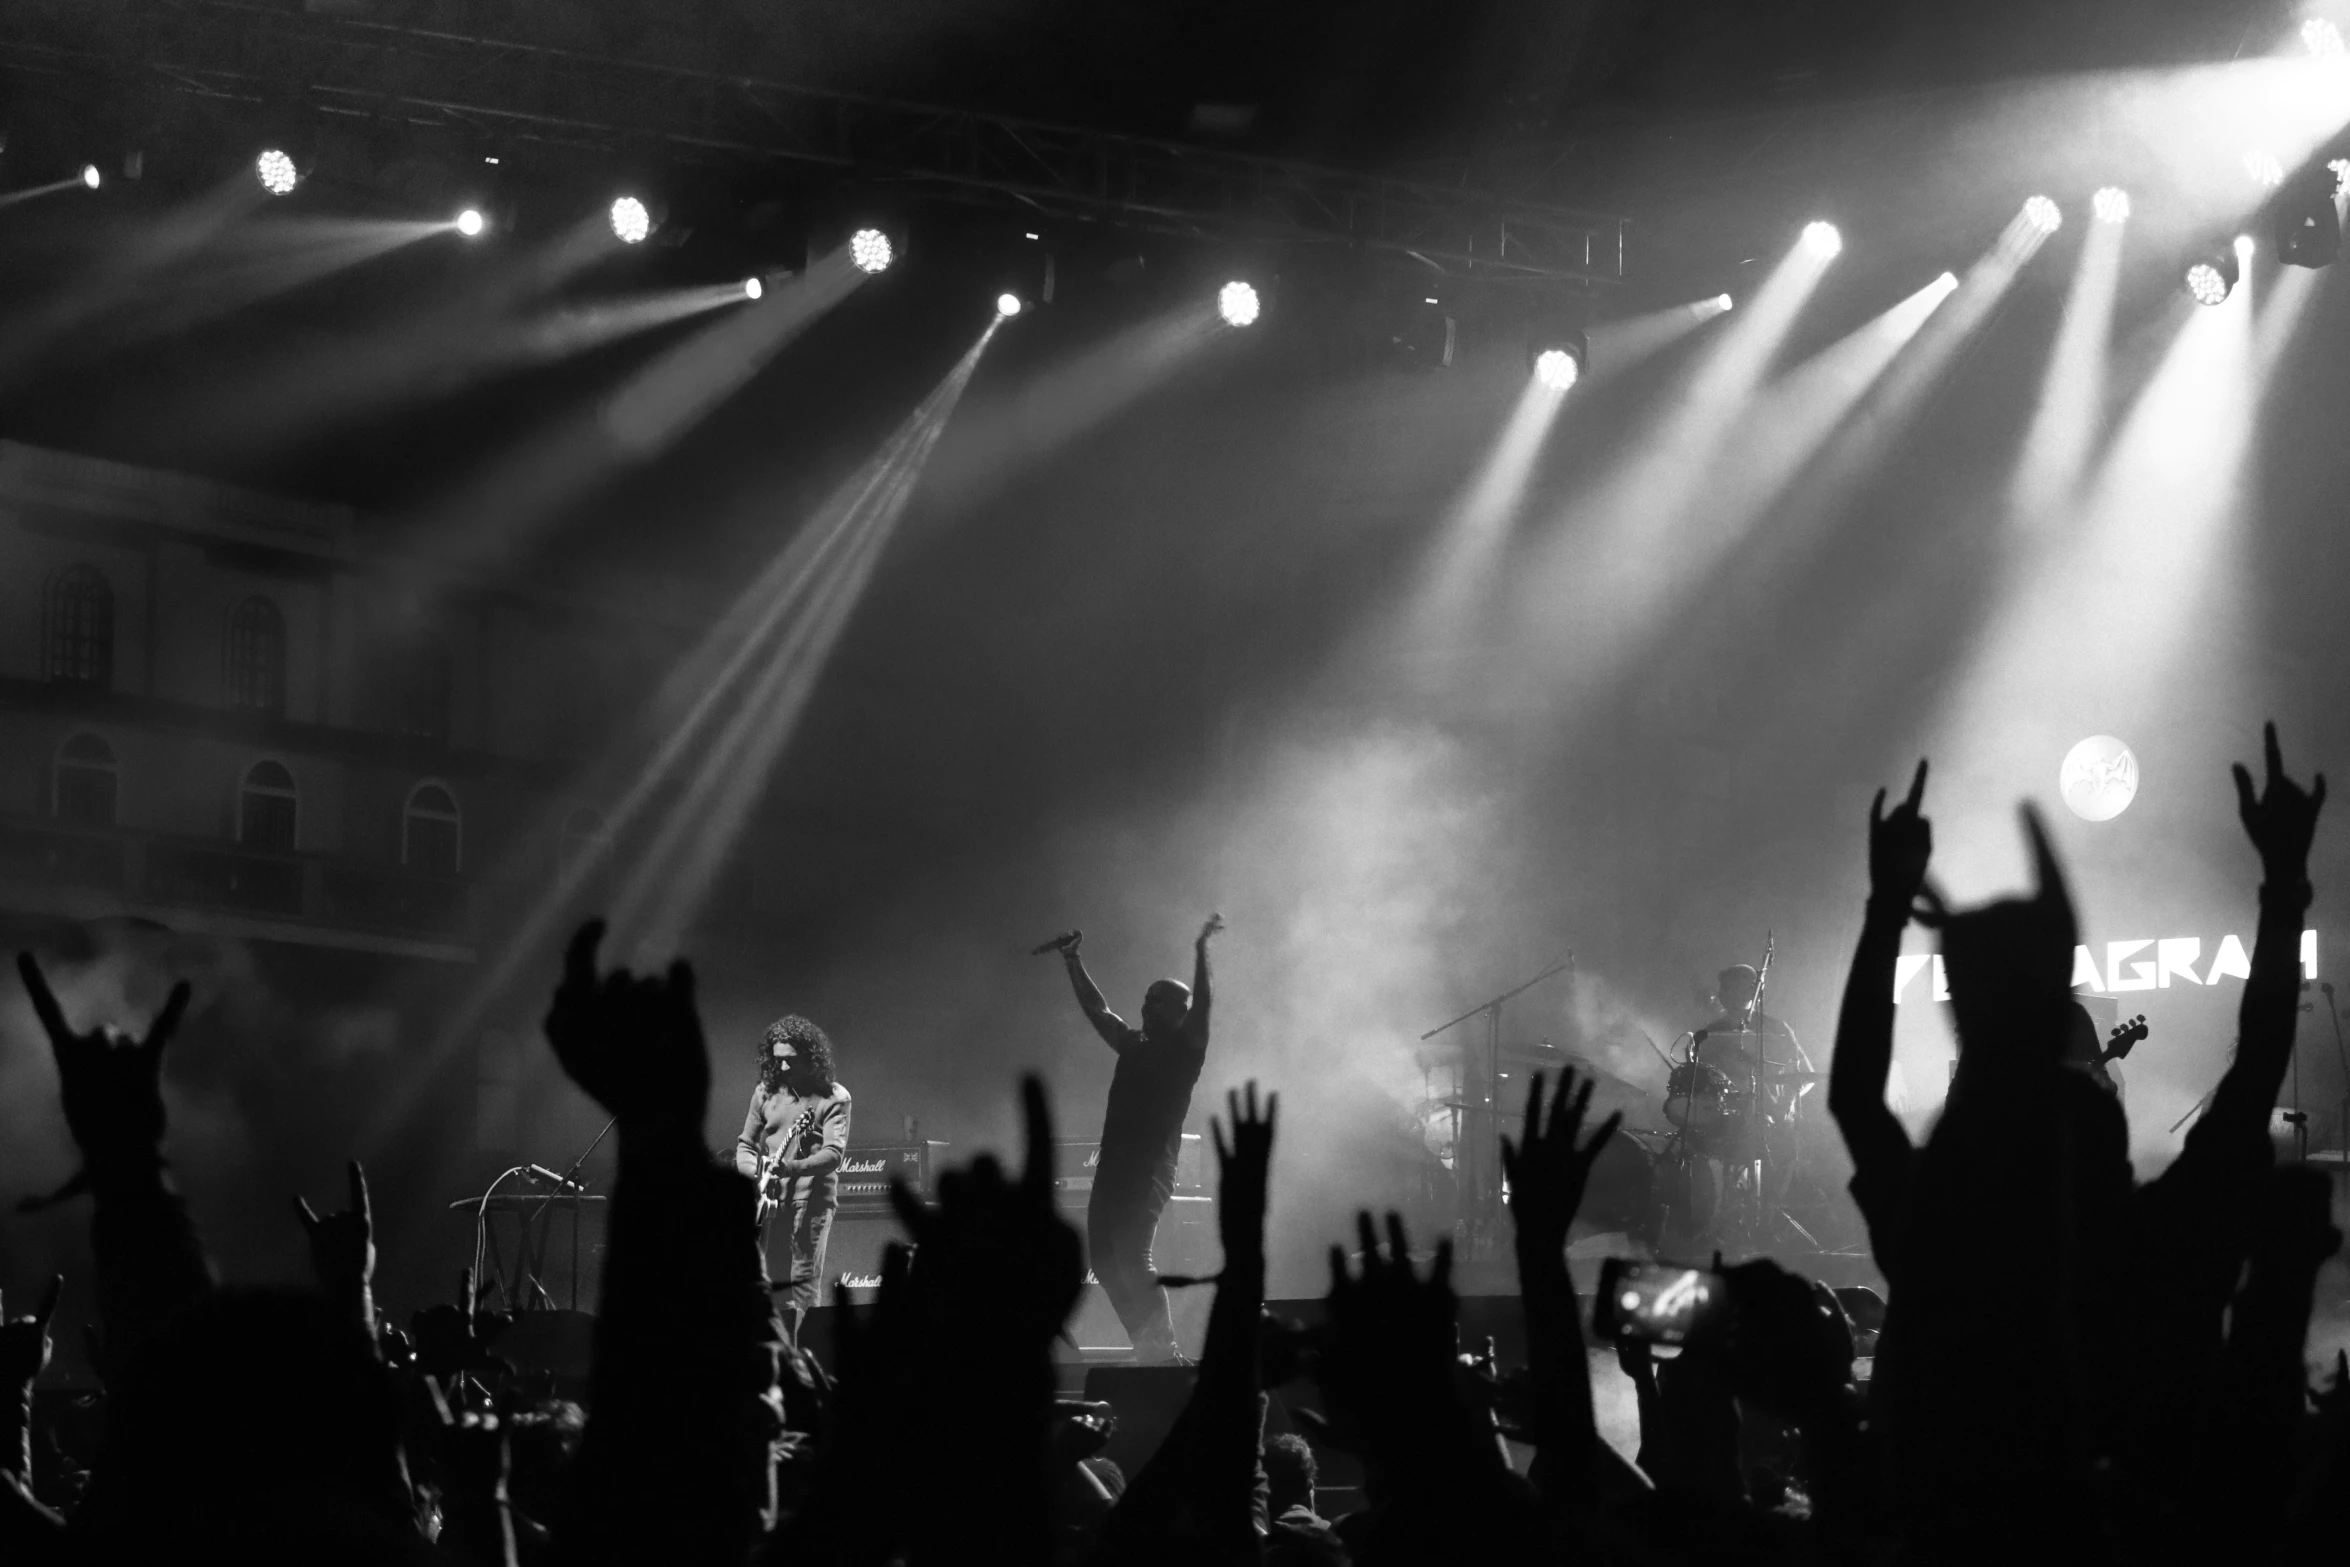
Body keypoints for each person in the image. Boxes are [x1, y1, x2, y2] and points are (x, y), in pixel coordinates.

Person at [1050, 914, 1223, 1363]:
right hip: (1112, 1169)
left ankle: (1163, 1350)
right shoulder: (1134, 1045)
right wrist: (1073, 960)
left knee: (1132, 1257)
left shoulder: (1186, 1051)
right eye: (1146, 998)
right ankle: (1145, 1345)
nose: (1146, 1005)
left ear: (1176, 1012)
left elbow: (1203, 1004)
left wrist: (1201, 952)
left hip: (1148, 1172)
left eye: (1157, 1000)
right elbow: (1098, 1010)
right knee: (1105, 1263)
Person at [734, 1015, 851, 1347]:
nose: (783, 1067)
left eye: (791, 1060)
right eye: (777, 1060)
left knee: (800, 1289)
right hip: (767, 1204)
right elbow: (746, 1144)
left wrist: (790, 1167)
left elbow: (833, 1154)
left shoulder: (834, 1097)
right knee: (766, 1286)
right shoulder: (764, 1093)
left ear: (810, 1057)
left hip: (811, 1204)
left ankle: (800, 1364)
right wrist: (751, 1181)